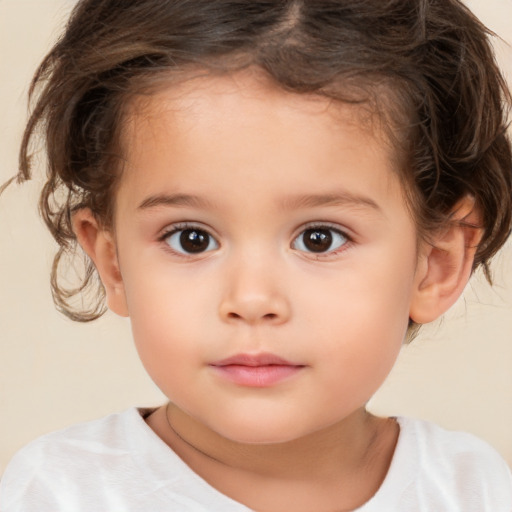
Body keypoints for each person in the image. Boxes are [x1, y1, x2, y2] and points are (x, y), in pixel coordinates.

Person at [1, 0, 511, 510]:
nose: (251, 299)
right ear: (113, 263)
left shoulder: (475, 490)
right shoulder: (58, 493)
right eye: (191, 238)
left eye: (320, 238)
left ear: (435, 264)